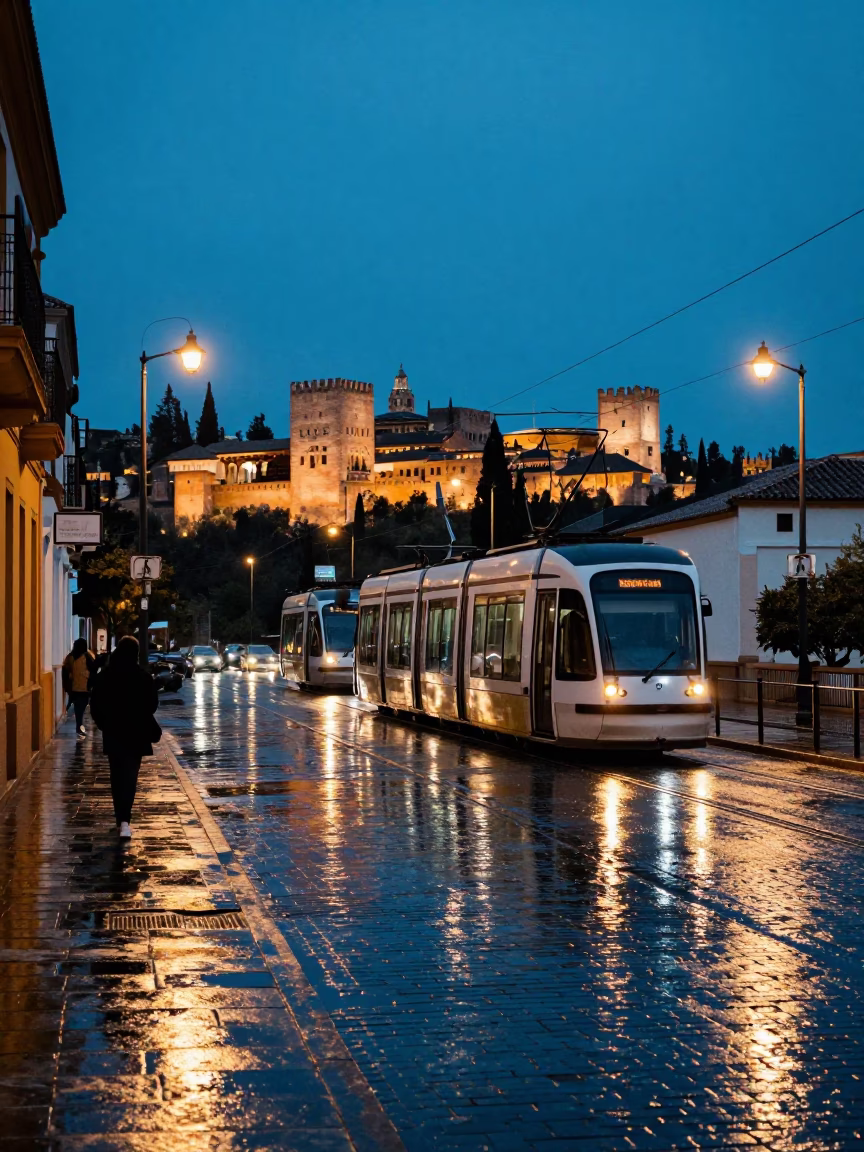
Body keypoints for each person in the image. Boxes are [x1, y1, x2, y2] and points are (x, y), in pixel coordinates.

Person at [89, 636, 160, 839]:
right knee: (130, 777)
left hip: (114, 733)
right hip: (136, 734)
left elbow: (95, 705)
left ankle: (120, 818)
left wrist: (105, 724)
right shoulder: (143, 677)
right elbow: (152, 705)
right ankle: (125, 821)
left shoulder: (106, 676)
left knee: (116, 776)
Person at [62, 638, 95, 738]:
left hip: (75, 689)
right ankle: (79, 726)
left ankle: (79, 726)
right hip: (84, 688)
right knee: (80, 708)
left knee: (78, 708)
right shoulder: (87, 657)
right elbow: (93, 670)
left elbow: (65, 672)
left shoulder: (70, 657)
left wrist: (67, 687)